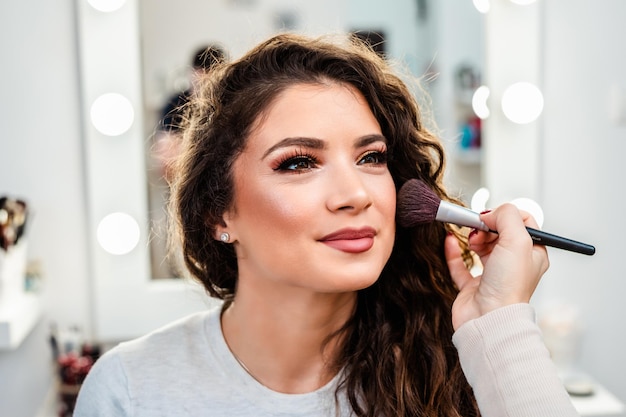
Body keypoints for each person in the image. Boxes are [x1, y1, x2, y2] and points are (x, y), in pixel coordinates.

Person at [74, 33, 578, 416]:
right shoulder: (132, 390)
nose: (356, 194)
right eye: (298, 163)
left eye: (372, 157)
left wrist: (500, 323)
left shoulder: (459, 368)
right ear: (216, 213)